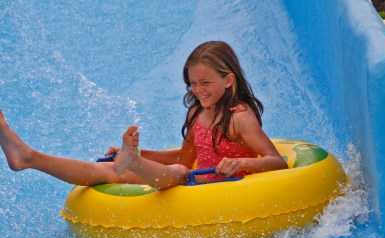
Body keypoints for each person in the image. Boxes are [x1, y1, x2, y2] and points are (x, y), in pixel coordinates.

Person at [0, 41, 287, 189]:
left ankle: (133, 162)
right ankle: (27, 157)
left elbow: (278, 162)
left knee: (181, 174)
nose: (198, 90)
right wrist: (145, 153)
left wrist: (241, 163)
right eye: (192, 84)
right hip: (193, 181)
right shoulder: (197, 112)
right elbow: (183, 158)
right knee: (108, 172)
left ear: (228, 80)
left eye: (205, 83)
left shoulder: (240, 118)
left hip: (227, 190)